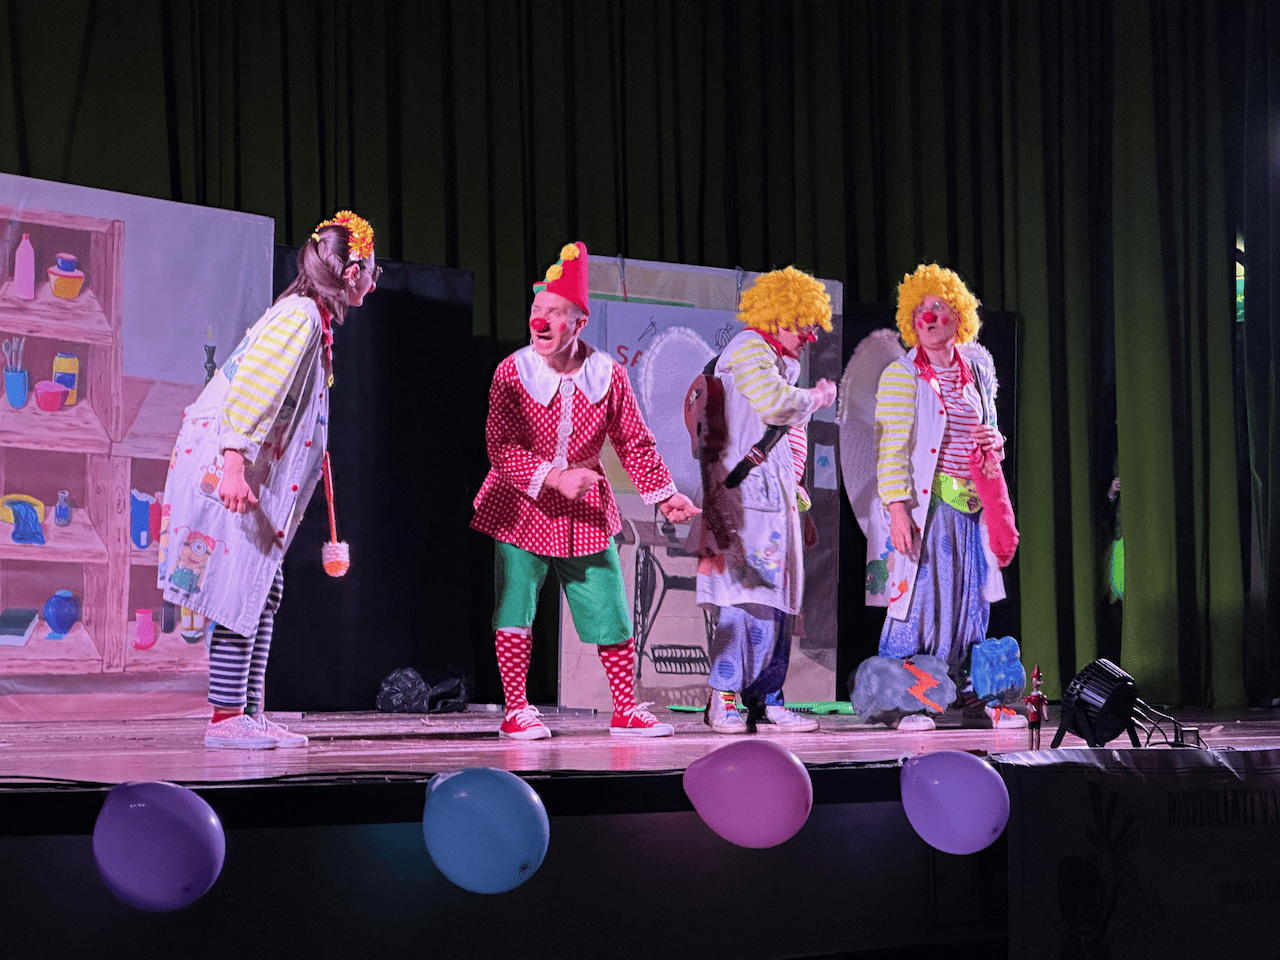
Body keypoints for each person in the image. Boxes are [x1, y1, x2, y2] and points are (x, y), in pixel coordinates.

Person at [158, 211, 380, 749]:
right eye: (374, 270)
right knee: (238, 588)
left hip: (243, 470)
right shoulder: (300, 316)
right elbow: (250, 391)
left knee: (263, 586)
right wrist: (234, 466)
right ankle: (225, 719)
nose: (375, 282)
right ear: (352, 274)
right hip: (227, 471)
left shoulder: (311, 319)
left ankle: (248, 713)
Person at [470, 241, 700, 740]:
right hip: (521, 505)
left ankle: (625, 709)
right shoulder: (513, 372)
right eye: (537, 310)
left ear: (579, 322)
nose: (541, 321)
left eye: (556, 312)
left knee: (609, 604)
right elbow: (500, 448)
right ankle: (516, 710)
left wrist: (665, 496)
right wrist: (555, 477)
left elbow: (634, 442)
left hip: (583, 512)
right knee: (515, 604)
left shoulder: (607, 375)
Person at [867, 263, 1024, 731]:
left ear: (960, 316)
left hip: (973, 510)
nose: (930, 317)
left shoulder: (977, 370)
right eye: (921, 310)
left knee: (970, 607)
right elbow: (891, 448)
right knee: (921, 608)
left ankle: (970, 696)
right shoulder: (901, 376)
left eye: (939, 307)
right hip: (928, 509)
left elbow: (986, 430)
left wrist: (996, 441)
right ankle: (905, 703)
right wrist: (898, 509)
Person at [693, 266, 836, 734]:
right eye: (802, 324)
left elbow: (790, 440)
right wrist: (815, 397)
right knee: (744, 601)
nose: (809, 336)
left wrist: (797, 489)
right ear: (776, 316)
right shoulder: (749, 349)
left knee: (777, 606)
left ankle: (768, 700)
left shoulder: (780, 362)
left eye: (812, 327)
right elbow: (775, 404)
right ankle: (723, 697)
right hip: (744, 502)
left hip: (776, 502)